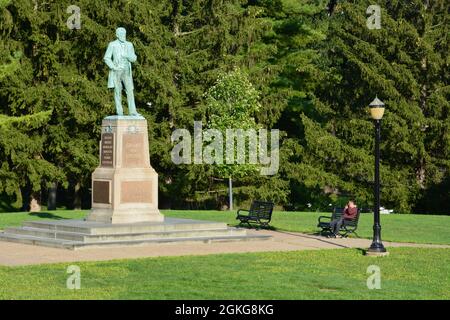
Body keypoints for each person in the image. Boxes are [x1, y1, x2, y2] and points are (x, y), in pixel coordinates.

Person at [104, 27, 140, 116]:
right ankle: (119, 111)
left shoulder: (129, 44)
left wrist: (128, 56)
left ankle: (133, 111)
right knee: (117, 91)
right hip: (117, 71)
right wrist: (114, 67)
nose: (123, 36)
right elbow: (106, 58)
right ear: (117, 35)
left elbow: (134, 58)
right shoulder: (112, 44)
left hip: (127, 71)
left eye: (124, 34)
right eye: (121, 34)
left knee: (130, 90)